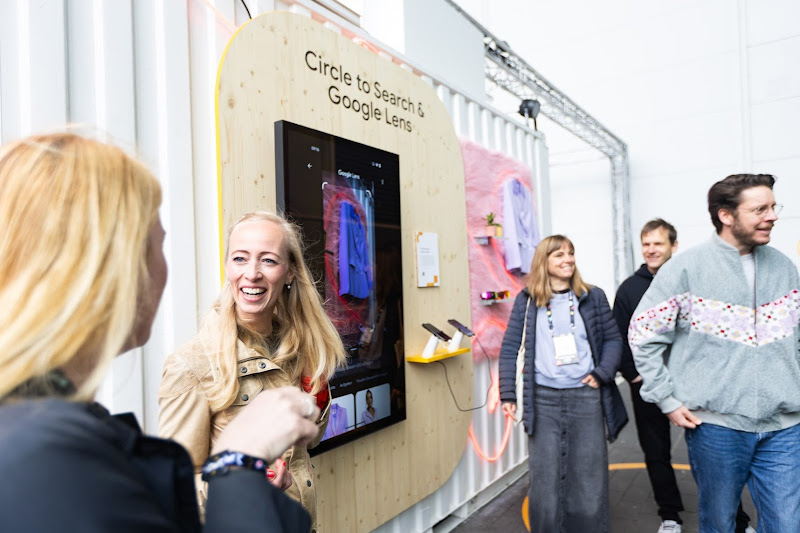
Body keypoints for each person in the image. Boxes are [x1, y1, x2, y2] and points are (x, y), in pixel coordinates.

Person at [0, 132, 320, 532]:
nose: (251, 273)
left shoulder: (48, 426)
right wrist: (238, 466)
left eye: (268, 260)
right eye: (157, 244)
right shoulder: (50, 459)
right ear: (106, 267)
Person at [630, 174, 800, 532]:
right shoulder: (685, 269)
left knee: (787, 524)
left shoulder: (784, 267)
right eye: (760, 209)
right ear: (726, 215)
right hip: (716, 427)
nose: (772, 216)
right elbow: (643, 333)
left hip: (784, 427)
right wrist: (666, 400)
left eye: (773, 206)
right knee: (719, 523)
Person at [159, 210, 347, 531]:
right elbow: (174, 491)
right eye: (240, 258)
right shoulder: (192, 365)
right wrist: (244, 483)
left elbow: (308, 443)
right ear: (228, 267)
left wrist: (315, 389)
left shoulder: (298, 348)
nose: (252, 273)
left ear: (289, 273)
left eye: (268, 261)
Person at [615, 219, 754, 533]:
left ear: (673, 246)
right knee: (656, 452)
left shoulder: (694, 280)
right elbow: (619, 335)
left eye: (658, 244)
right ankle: (670, 516)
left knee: (714, 456)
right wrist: (635, 374)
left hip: (693, 385)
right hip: (650, 387)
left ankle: (738, 520)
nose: (651, 250)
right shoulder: (629, 289)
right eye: (646, 244)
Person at [499, 235, 627, 532]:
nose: (567, 259)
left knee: (588, 475)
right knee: (544, 478)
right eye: (559, 255)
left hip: (585, 396)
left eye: (570, 253)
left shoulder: (592, 296)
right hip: (542, 400)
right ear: (544, 262)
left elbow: (612, 340)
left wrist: (602, 373)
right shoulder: (527, 300)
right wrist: (508, 393)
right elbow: (509, 349)